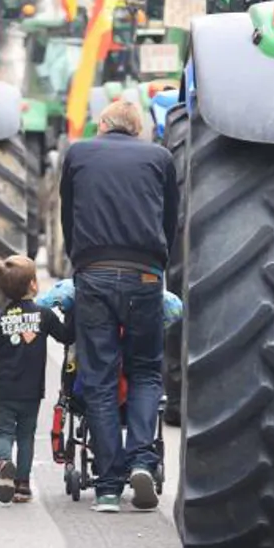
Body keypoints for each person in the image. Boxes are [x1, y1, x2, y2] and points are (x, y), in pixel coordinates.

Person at [59, 99, 179, 513]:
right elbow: (169, 223)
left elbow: (67, 219)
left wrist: (81, 262)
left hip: (93, 273)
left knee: (100, 378)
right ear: (136, 128)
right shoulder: (160, 158)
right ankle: (143, 461)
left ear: (104, 124)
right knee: (145, 371)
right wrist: (156, 266)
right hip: (145, 274)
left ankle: (108, 487)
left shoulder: (78, 153)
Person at [0, 255, 72, 504]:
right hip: (31, 391)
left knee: (2, 433)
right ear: (33, 285)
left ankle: (3, 463)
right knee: (25, 436)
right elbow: (66, 336)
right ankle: (22, 486)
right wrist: (72, 313)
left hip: (5, 389)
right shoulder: (44, 315)